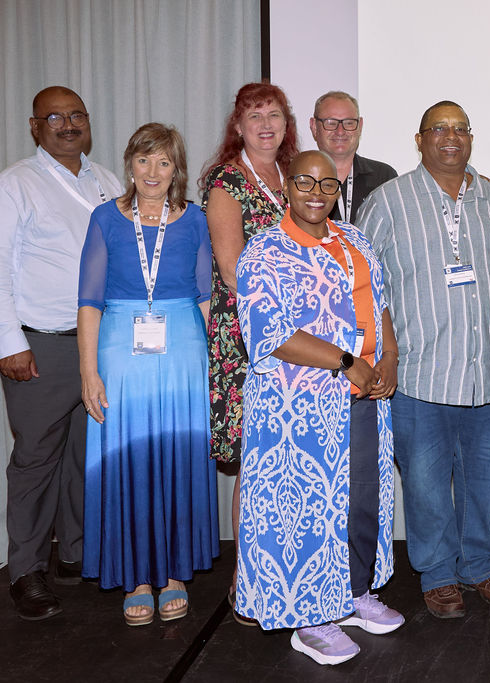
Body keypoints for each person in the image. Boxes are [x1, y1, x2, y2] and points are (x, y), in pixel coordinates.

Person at [235, 150, 401, 666]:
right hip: (298, 406)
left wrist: (389, 357)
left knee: (360, 500)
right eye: (304, 182)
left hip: (362, 397)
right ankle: (309, 619)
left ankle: (353, 593)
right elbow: (270, 332)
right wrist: (348, 361)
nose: (315, 193)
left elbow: (379, 302)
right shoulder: (264, 251)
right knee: (304, 509)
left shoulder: (355, 240)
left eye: (327, 184)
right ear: (286, 186)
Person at [357, 101, 490, 619]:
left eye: (460, 128)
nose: (451, 137)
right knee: (426, 487)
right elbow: (366, 286)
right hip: (420, 376)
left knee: (486, 479)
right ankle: (438, 573)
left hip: (487, 377)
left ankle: (479, 563)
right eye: (439, 129)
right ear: (419, 139)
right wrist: (383, 354)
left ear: (470, 137)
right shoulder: (388, 201)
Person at [0, 86, 122, 620]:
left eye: (76, 114)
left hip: (102, 344)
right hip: (42, 343)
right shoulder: (14, 184)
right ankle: (26, 571)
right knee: (37, 459)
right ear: (34, 126)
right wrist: (9, 341)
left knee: (87, 456)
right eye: (54, 117)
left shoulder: (108, 181)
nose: (68, 124)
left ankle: (76, 555)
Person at [78, 123, 219, 625]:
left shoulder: (196, 219)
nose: (153, 171)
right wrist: (88, 371)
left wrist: (217, 372)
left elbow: (206, 299)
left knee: (180, 456)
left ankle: (175, 572)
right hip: (120, 351)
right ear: (129, 164)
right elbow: (89, 302)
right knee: (128, 458)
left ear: (176, 168)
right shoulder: (104, 219)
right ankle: (136, 577)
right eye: (143, 160)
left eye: (163, 161)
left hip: (184, 353)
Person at [198, 82, 299, 621]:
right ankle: (247, 579)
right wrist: (289, 315)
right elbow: (233, 269)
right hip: (249, 338)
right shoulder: (226, 181)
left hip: (302, 338)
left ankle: (291, 568)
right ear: (238, 126)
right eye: (254, 116)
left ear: (286, 124)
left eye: (274, 115)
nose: (265, 124)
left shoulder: (294, 176)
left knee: (292, 456)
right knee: (257, 462)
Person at [310, 91, 397, 223]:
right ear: (314, 126)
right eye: (331, 123)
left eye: (349, 123)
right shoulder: (300, 179)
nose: (340, 131)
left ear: (360, 126)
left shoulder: (384, 177)